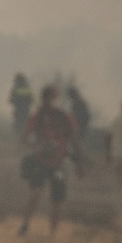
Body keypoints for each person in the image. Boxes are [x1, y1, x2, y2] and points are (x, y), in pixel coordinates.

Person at [18, 84, 79, 234]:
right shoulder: (37, 116)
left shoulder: (66, 117)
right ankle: (25, 225)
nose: (54, 101)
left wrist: (79, 160)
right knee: (36, 193)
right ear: (45, 99)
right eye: (51, 98)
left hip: (59, 163)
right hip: (41, 161)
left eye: (55, 98)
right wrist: (37, 147)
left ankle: (53, 232)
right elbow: (24, 139)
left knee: (57, 199)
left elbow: (75, 138)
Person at [8, 74, 34, 141]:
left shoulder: (15, 88)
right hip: (26, 110)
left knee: (18, 124)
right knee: (27, 124)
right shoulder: (28, 88)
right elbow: (32, 100)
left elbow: (11, 100)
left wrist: (16, 101)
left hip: (18, 110)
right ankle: (27, 139)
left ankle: (19, 140)